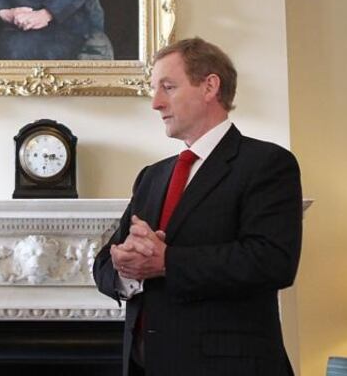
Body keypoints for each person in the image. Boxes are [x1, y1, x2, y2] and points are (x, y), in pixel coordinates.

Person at [93, 38, 303, 376]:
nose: (156, 103)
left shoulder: (267, 163)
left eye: (168, 87)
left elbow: (272, 262)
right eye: (153, 89)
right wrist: (124, 266)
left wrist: (167, 261)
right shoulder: (152, 176)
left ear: (210, 86)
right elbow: (104, 262)